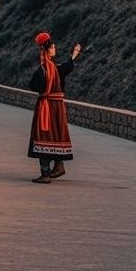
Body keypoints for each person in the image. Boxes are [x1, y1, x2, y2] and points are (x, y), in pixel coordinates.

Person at [28, 31, 82, 184]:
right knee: (56, 135)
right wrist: (75, 54)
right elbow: (69, 66)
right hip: (57, 107)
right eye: (52, 47)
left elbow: (33, 86)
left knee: (44, 136)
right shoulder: (57, 69)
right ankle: (59, 165)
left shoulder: (44, 70)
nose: (54, 49)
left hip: (45, 107)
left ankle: (45, 173)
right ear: (48, 50)